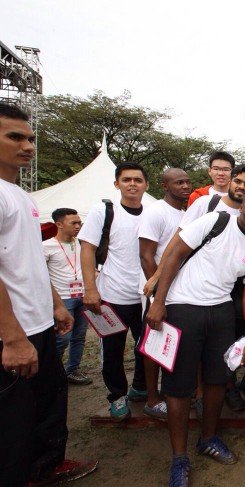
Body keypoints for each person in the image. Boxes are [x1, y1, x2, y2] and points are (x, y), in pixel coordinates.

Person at [145, 190, 245, 487]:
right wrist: (159, 302)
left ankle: (208, 438)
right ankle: (179, 458)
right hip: (182, 306)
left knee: (217, 379)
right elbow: (174, 255)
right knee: (178, 385)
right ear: (241, 206)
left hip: (221, 311)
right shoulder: (216, 221)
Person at [0, 102, 96, 485]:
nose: (28, 146)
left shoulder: (21, 196)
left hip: (38, 322)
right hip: (14, 332)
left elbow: (28, 262)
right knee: (14, 424)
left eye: (31, 138)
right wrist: (12, 337)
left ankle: (47, 466)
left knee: (49, 404)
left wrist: (55, 305)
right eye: (15, 137)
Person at [79, 161, 150, 419]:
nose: (132, 184)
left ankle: (140, 387)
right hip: (110, 296)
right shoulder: (104, 211)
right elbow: (87, 248)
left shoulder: (152, 213)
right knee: (112, 351)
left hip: (143, 297)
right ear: (117, 183)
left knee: (145, 347)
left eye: (138, 180)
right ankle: (117, 396)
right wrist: (90, 289)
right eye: (127, 179)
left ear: (146, 185)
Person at [137, 168, 191, 420]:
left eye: (187, 181)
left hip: (181, 291)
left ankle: (172, 394)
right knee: (154, 344)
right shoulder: (156, 211)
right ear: (165, 186)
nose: (185, 186)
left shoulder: (186, 213)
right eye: (178, 182)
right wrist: (158, 293)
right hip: (158, 292)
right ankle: (151, 398)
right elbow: (146, 254)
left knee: (172, 344)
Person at [43, 207, 91, 385]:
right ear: (59, 224)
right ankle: (51, 371)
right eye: (74, 223)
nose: (78, 226)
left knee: (79, 336)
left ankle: (72, 370)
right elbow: (41, 275)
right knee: (62, 338)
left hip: (83, 296)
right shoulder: (46, 246)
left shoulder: (82, 244)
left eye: (80, 222)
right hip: (62, 298)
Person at [180, 164, 245, 226]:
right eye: (237, 181)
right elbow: (181, 235)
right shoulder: (204, 203)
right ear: (230, 182)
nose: (241, 187)